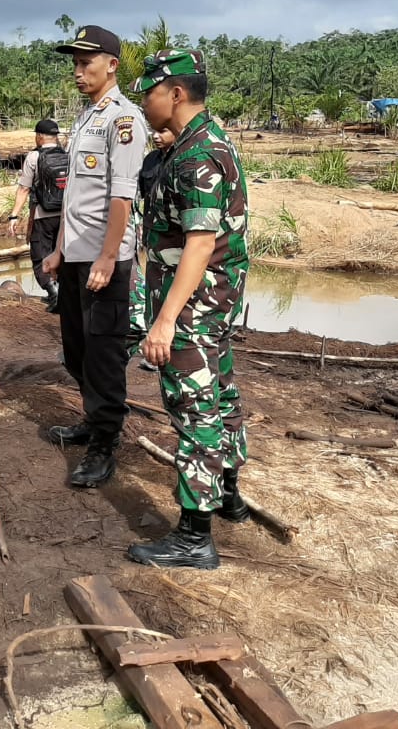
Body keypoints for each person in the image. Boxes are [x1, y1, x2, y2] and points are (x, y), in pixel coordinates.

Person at [128, 49, 250, 570]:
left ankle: (194, 536)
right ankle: (228, 495)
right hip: (213, 303)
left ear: (175, 93)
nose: (144, 104)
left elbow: (199, 245)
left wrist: (164, 319)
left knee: (195, 410)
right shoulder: (200, 143)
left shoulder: (198, 155)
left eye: (149, 94)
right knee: (220, 395)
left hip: (194, 307)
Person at [41, 24, 148, 488]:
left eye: (86, 63)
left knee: (104, 354)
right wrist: (60, 250)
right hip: (77, 255)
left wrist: (108, 258)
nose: (78, 72)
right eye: (75, 64)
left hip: (108, 261)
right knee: (76, 350)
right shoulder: (86, 117)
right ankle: (91, 418)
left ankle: (105, 442)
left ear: (112, 65)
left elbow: (121, 198)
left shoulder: (124, 120)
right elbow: (74, 198)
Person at [7, 119, 67, 312]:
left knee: (40, 255)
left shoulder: (34, 157)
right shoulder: (68, 155)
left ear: (40, 136)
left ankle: (53, 292)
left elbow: (24, 189)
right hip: (66, 215)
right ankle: (64, 293)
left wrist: (14, 216)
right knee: (63, 253)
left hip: (42, 215)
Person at [128, 127, 176, 359]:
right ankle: (150, 342)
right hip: (151, 236)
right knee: (151, 290)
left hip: (177, 242)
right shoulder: (150, 161)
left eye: (163, 131)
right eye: (154, 132)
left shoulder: (185, 159)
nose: (156, 136)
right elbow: (140, 198)